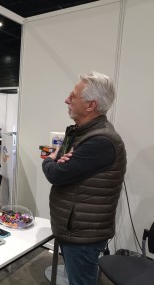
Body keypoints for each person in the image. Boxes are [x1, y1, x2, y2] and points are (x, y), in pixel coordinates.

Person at [42, 71, 127, 285]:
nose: (66, 100)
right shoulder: (82, 133)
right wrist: (59, 159)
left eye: (73, 96)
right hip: (76, 228)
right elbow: (63, 166)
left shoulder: (101, 141)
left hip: (82, 234)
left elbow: (56, 173)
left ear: (91, 105)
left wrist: (49, 159)